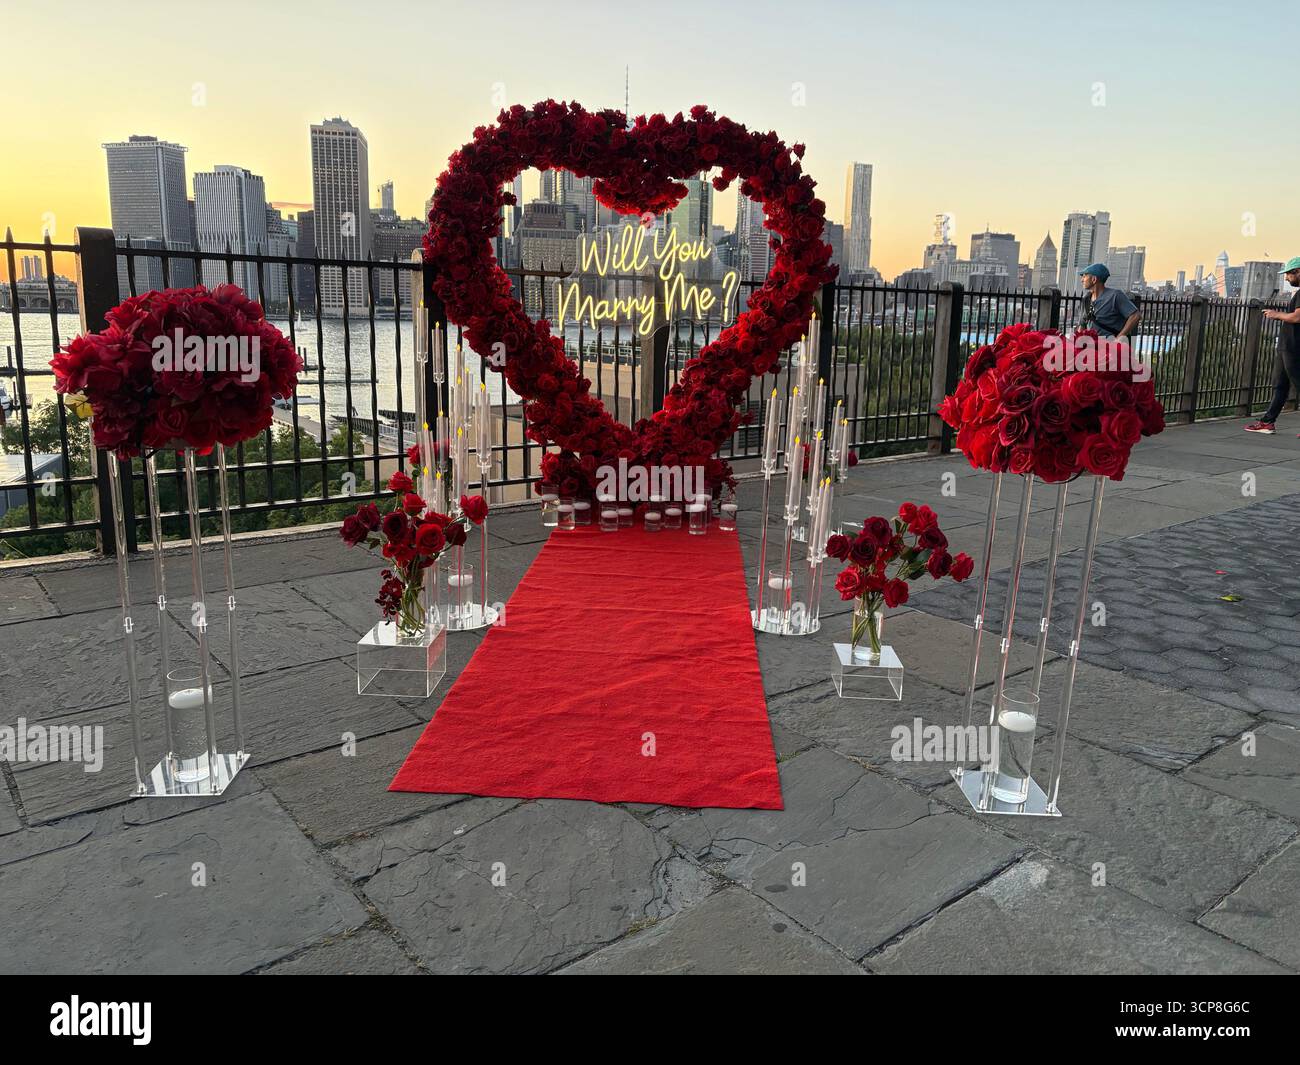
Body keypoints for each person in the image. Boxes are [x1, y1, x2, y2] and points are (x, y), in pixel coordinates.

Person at [1244, 257, 1300, 435]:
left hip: (1294, 347)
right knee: (1280, 385)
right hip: (1286, 346)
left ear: (1298, 272)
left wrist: (1276, 314)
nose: (1286, 279)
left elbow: (1297, 317)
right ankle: (1267, 422)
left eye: (1289, 275)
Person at [1079, 263, 1142, 339]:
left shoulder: (1115, 295)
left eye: (1084, 276)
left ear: (1094, 279)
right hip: (1092, 347)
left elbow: (1135, 316)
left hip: (1111, 347)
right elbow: (1082, 325)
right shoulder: (1086, 299)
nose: (1082, 280)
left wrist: (1120, 337)